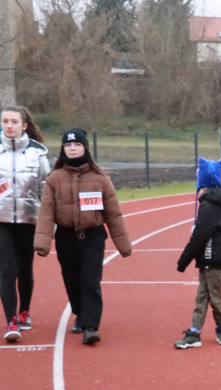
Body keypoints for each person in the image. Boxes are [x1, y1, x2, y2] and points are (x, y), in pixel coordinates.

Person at [33, 127, 132, 346]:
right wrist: (42, 242)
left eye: (77, 145)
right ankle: (79, 312)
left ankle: (90, 326)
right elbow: (47, 212)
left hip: (94, 236)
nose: (73, 149)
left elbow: (113, 214)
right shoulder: (54, 179)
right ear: (63, 149)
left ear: (85, 148)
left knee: (90, 280)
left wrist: (123, 245)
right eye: (68, 145)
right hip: (66, 237)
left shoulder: (101, 179)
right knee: (71, 279)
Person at [173, 157, 221, 349]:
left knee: (214, 296)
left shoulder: (210, 205)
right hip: (211, 258)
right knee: (203, 296)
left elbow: (200, 235)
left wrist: (183, 261)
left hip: (215, 258)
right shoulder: (218, 203)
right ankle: (195, 332)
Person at [1, 105, 49, 342]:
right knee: (7, 270)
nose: (8, 125)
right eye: (5, 121)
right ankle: (11, 321)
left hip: (29, 221)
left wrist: (48, 225)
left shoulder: (37, 154)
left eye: (13, 121)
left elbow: (45, 191)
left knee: (24, 270)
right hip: (2, 221)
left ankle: (24, 311)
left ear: (24, 125)